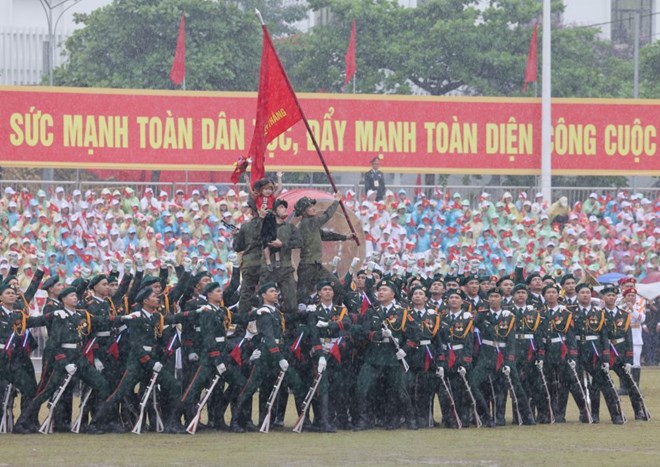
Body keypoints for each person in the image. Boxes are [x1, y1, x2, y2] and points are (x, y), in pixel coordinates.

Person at [295, 193, 357, 305]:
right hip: (307, 266)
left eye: (313, 206)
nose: (313, 208)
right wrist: (336, 201)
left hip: (316, 265)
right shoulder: (308, 222)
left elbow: (325, 235)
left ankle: (333, 311)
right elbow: (326, 216)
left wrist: (345, 237)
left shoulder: (312, 225)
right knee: (302, 297)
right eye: (309, 207)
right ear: (303, 211)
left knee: (337, 286)